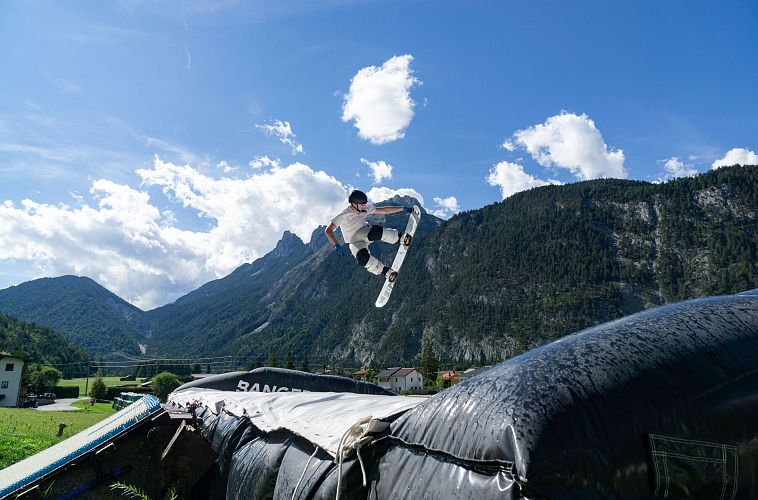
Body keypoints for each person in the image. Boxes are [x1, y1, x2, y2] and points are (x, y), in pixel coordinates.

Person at [325, 190, 413, 280]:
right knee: (363, 259)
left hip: (363, 231)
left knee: (375, 232)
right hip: (353, 241)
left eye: (365, 203)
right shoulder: (344, 215)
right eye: (362, 204)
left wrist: (402, 208)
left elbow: (385, 210)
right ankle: (385, 271)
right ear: (354, 204)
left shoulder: (366, 208)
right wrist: (336, 244)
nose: (364, 205)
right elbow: (328, 230)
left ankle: (400, 238)